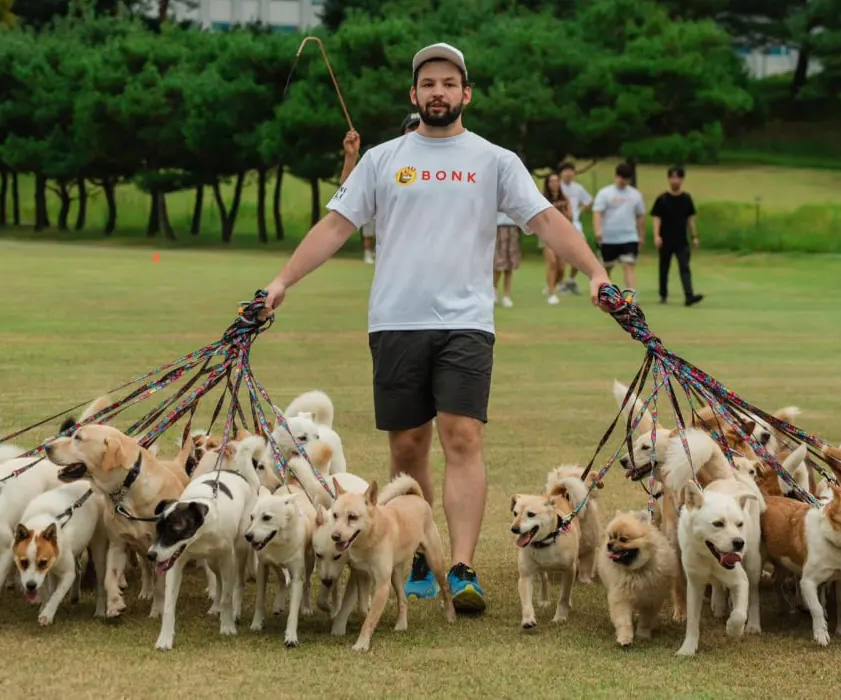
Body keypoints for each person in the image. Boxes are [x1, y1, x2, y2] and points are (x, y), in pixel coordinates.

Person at [260, 42, 610, 615]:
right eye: (429, 84)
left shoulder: (494, 160)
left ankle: (464, 565)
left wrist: (595, 272)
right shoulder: (381, 159)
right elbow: (334, 226)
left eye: (450, 83)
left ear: (465, 93)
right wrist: (281, 282)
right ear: (414, 95)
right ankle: (421, 551)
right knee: (408, 444)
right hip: (396, 320)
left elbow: (546, 220)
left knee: (463, 437)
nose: (439, 92)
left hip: (467, 322)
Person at [343, 113, 422, 264]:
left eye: (421, 127)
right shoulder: (385, 162)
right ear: (403, 133)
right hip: (394, 261)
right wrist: (351, 157)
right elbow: (348, 191)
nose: (417, 131)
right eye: (412, 128)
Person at [651, 166, 704, 306]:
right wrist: (656, 235)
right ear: (668, 179)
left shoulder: (686, 199)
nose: (675, 180)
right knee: (664, 267)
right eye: (672, 177)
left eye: (678, 177)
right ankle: (663, 294)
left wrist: (695, 236)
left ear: (682, 179)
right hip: (665, 239)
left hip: (681, 240)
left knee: (684, 267)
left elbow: (690, 218)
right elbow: (657, 218)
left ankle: (689, 295)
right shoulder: (662, 199)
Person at [592, 162, 647, 294]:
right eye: (621, 178)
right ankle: (606, 295)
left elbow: (641, 216)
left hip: (629, 237)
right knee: (607, 267)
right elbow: (597, 213)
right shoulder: (605, 193)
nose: (623, 181)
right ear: (616, 176)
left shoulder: (635, 195)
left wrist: (641, 236)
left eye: (626, 179)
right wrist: (598, 230)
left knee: (629, 265)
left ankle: (631, 297)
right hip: (609, 237)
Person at [557, 162, 592, 295]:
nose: (569, 174)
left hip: (575, 224)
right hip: (558, 224)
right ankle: (558, 283)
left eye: (571, 171)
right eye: (566, 171)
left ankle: (571, 280)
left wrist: (578, 211)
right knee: (559, 256)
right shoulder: (556, 187)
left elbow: (588, 201)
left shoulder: (578, 188)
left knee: (580, 252)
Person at [540, 172, 571, 305]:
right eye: (551, 181)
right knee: (552, 263)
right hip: (548, 235)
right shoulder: (542, 199)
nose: (554, 184)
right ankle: (552, 293)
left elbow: (570, 216)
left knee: (561, 268)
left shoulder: (565, 199)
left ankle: (551, 285)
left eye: (556, 180)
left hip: (562, 235)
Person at [492, 211, 521, 308]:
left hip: (512, 228)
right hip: (499, 227)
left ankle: (506, 296)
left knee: (510, 266)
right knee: (498, 265)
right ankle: (493, 291)